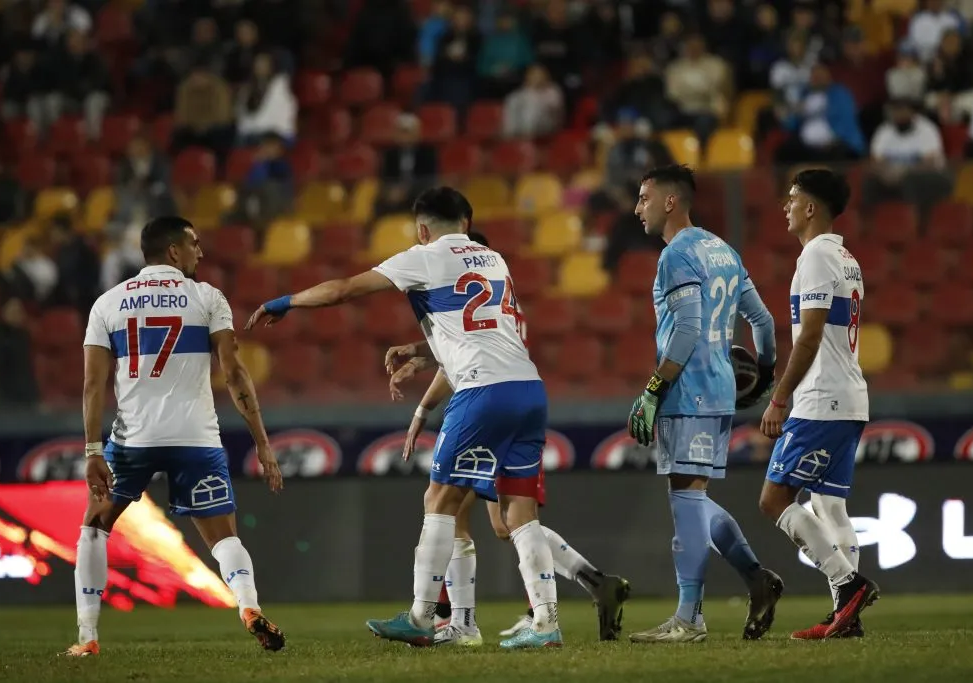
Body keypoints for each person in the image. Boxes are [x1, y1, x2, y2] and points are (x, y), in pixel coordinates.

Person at [246, 187, 563, 649]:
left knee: (439, 500)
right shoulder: (495, 261)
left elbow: (344, 290)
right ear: (468, 223)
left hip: (481, 391)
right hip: (529, 390)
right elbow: (475, 329)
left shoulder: (425, 256)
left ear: (421, 228)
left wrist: (288, 301)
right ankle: (546, 624)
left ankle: (420, 617)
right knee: (519, 512)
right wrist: (421, 354)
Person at [387, 230, 629, 647]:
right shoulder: (502, 305)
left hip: (491, 406)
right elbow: (461, 350)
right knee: (506, 522)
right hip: (519, 403)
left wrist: (423, 405)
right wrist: (422, 357)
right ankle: (590, 584)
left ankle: (462, 621)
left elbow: (464, 354)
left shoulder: (468, 299)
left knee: (468, 511)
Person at [66, 216, 285, 657]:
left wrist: (92, 450)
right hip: (196, 438)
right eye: (195, 245)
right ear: (173, 252)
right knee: (224, 539)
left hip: (133, 439)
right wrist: (262, 441)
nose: (200, 253)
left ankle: (87, 638)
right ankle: (248, 606)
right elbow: (235, 372)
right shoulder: (207, 297)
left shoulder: (107, 303)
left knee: (94, 529)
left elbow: (93, 386)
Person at [626, 164, 783, 644]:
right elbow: (764, 322)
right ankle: (756, 578)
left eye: (644, 198)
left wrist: (653, 388)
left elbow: (689, 330)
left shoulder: (676, 255)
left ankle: (689, 617)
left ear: (670, 202)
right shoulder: (724, 250)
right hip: (719, 393)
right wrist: (765, 376)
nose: (638, 209)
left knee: (686, 499)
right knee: (695, 497)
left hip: (687, 390)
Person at [759, 169, 879, 639]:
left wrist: (780, 397)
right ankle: (846, 619)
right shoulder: (846, 258)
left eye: (791, 199)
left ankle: (846, 585)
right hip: (850, 397)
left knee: (773, 499)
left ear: (811, 208)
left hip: (821, 399)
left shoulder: (814, 256)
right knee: (830, 506)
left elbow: (809, 337)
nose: (785, 207)